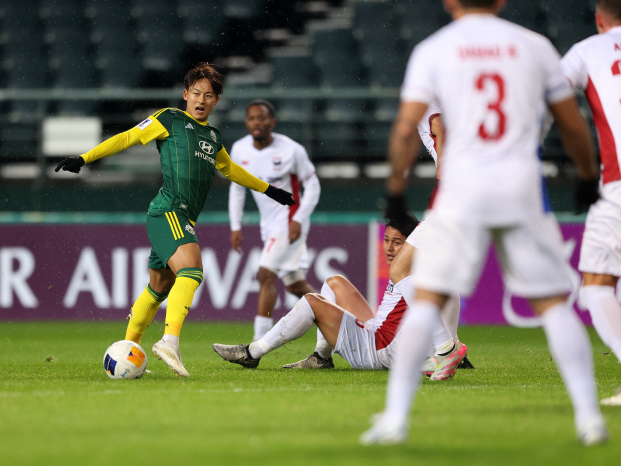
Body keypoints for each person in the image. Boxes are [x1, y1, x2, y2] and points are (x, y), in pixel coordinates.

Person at [361, 0, 607, 446]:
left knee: (424, 294)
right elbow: (572, 124)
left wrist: (395, 191)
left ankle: (395, 419)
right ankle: (589, 418)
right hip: (520, 187)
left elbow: (404, 130)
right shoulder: (534, 46)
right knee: (552, 305)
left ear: (450, 2)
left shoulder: (434, 50)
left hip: (461, 191)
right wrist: (589, 177)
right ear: (500, 2)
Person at [54, 63, 294, 377]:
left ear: (216, 101)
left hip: (181, 217)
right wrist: (84, 158)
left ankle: (129, 350)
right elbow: (127, 138)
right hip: (168, 211)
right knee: (192, 270)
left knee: (157, 288)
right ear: (185, 94)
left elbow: (230, 169)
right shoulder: (169, 118)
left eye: (209, 95)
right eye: (196, 93)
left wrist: (270, 190)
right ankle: (170, 342)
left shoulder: (212, 136)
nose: (201, 99)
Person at [212, 215, 466, 378]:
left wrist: (444, 348)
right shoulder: (417, 269)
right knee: (335, 283)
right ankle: (321, 358)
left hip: (378, 350)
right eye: (386, 240)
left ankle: (251, 353)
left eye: (397, 242)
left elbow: (443, 301)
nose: (388, 247)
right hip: (379, 333)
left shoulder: (415, 272)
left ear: (411, 246)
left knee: (311, 301)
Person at [560, 0, 621, 407]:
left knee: (596, 286)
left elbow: (553, 98)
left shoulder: (587, 50)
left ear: (600, 19)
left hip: (617, 183)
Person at [389, 102, 474, 374]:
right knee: (442, 275)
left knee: (400, 269)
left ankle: (446, 348)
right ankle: (448, 348)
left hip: (454, 197)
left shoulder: (431, 105)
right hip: (476, 192)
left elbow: (441, 130)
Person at [228, 100, 321, 342]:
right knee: (296, 286)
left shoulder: (291, 150)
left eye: (262, 118)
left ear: (272, 122)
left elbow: (313, 185)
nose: (256, 123)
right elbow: (237, 189)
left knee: (265, 274)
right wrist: (235, 226)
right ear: (246, 122)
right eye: (251, 118)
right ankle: (340, 321)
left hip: (289, 220)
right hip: (268, 225)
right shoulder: (239, 150)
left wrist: (299, 219)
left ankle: (258, 342)